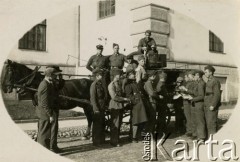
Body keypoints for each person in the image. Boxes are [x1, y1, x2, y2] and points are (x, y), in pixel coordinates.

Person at [36, 66, 62, 153]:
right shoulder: (44, 85)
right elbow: (44, 103)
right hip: (45, 113)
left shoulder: (49, 83)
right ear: (50, 75)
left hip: (48, 112)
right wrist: (50, 115)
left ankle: (49, 149)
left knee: (48, 132)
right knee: (44, 134)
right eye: (55, 75)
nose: (56, 77)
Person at [108, 69, 130, 147]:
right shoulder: (111, 85)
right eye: (119, 75)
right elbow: (114, 97)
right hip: (115, 105)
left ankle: (116, 139)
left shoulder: (118, 83)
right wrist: (124, 99)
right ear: (115, 76)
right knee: (115, 124)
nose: (120, 76)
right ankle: (113, 141)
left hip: (120, 105)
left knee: (119, 123)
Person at [125, 69, 148, 142]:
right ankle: (133, 137)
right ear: (128, 76)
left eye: (134, 74)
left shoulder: (135, 83)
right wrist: (135, 101)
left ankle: (138, 135)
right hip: (135, 105)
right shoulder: (128, 85)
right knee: (135, 121)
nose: (134, 75)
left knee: (141, 121)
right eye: (132, 74)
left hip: (140, 105)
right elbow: (129, 96)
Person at [90, 69, 107, 146]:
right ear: (97, 76)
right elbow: (93, 98)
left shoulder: (100, 84)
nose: (102, 77)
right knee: (97, 124)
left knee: (101, 123)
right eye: (101, 76)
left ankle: (101, 140)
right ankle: (96, 141)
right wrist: (95, 108)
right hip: (97, 107)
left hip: (102, 106)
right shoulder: (94, 85)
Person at [204, 65, 221, 138]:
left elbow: (217, 94)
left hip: (211, 103)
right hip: (207, 102)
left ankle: (212, 140)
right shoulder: (209, 81)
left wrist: (213, 105)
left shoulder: (215, 81)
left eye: (206, 72)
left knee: (211, 122)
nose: (205, 73)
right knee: (208, 122)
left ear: (211, 72)